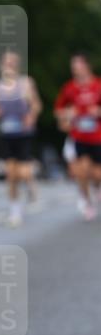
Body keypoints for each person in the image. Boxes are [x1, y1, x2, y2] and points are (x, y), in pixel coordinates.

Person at [0, 51, 42, 226]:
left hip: (23, 133)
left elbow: (37, 105)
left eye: (13, 62)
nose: (10, 65)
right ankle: (15, 211)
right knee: (11, 175)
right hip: (6, 134)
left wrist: (31, 116)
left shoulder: (26, 83)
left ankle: (30, 184)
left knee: (22, 172)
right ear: (1, 65)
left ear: (18, 65)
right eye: (7, 62)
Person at [54, 53, 101, 221]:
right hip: (79, 136)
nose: (75, 70)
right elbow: (58, 110)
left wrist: (98, 112)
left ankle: (97, 188)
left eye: (78, 66)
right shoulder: (69, 88)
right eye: (73, 67)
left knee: (96, 175)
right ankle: (87, 202)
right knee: (81, 172)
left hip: (97, 137)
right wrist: (67, 114)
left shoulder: (98, 85)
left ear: (87, 66)